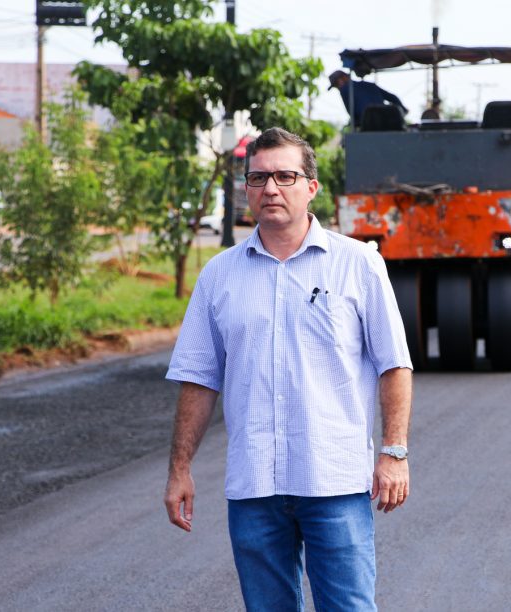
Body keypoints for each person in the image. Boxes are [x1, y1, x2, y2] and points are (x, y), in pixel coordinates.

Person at [164, 127, 414, 610]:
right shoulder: (219, 275)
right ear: (247, 189)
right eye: (258, 179)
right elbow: (198, 376)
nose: (270, 189)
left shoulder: (358, 264)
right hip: (254, 485)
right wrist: (179, 469)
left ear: (311, 187)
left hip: (334, 482)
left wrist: (395, 452)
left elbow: (394, 365)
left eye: (284, 176)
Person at [328, 69, 409, 125]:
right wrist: (403, 110)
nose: (337, 88)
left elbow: (351, 112)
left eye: (336, 84)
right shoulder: (370, 85)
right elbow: (393, 97)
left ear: (344, 78)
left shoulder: (344, 89)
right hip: (386, 121)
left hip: (368, 124)